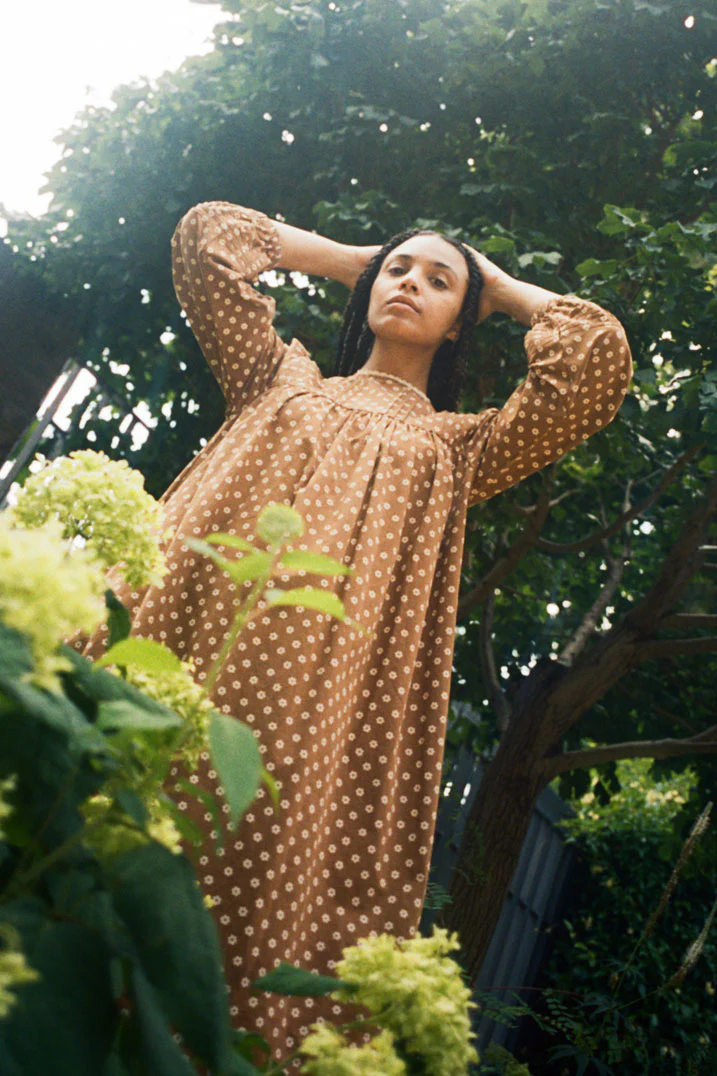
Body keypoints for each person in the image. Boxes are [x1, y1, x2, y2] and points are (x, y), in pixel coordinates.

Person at [75, 200, 632, 1068]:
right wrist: (351, 259)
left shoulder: (461, 449)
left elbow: (592, 366)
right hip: (177, 642)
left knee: (233, 865)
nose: (411, 283)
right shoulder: (277, 376)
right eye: (399, 270)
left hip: (305, 711)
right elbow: (206, 240)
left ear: (460, 325)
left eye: (436, 281)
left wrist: (499, 289)